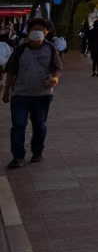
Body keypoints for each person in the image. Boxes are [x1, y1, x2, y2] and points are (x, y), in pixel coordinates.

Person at [2, 17, 63, 168]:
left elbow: (57, 68)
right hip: (20, 95)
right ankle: (18, 156)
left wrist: (54, 79)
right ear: (28, 33)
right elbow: (10, 72)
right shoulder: (19, 50)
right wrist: (6, 91)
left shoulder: (50, 49)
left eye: (40, 31)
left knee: (39, 125)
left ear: (45, 32)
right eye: (33, 31)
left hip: (42, 95)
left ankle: (37, 152)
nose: (37, 33)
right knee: (18, 124)